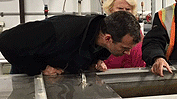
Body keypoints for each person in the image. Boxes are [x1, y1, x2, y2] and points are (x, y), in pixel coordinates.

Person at [0, 11, 141, 76]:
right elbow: (5, 41)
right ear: (108, 39)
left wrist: (93, 62)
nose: (128, 53)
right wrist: (41, 68)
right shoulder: (61, 31)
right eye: (125, 48)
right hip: (26, 81)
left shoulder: (100, 37)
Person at [102, 0, 146, 69]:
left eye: (128, 9)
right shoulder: (103, 32)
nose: (124, 12)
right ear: (110, 9)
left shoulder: (137, 32)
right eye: (120, 8)